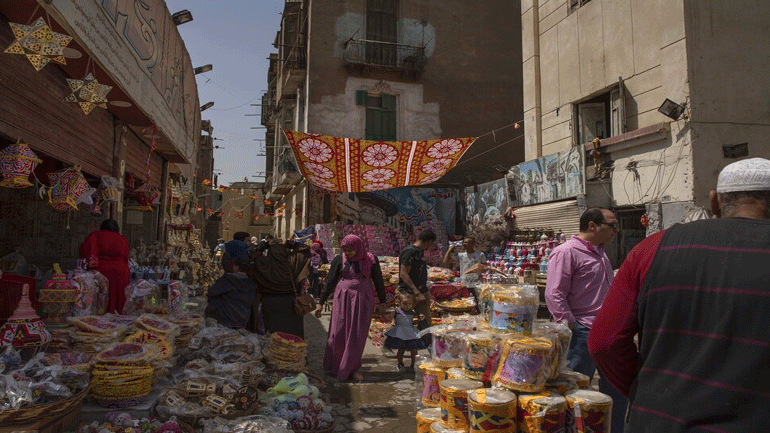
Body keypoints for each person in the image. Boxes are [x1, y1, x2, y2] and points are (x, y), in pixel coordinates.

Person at [588, 158, 770, 432]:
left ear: (714, 202)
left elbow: (604, 342)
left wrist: (645, 390)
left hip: (656, 422)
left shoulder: (652, 248)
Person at [545, 208, 627, 433]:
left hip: (608, 331)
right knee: (575, 391)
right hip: (583, 332)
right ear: (592, 226)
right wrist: (571, 326)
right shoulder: (567, 252)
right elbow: (554, 293)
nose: (616, 230)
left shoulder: (600, 253)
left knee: (617, 389)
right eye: (612, 225)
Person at [315, 235, 387, 382]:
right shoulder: (339, 259)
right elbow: (330, 281)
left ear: (358, 248)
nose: (347, 253)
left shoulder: (371, 260)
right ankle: (337, 366)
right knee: (338, 331)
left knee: (357, 334)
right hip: (342, 299)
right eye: (345, 250)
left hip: (363, 300)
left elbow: (378, 281)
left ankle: (352, 368)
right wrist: (321, 303)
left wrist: (383, 302)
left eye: (350, 250)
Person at [247, 238, 311, 338]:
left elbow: (251, 252)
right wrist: (288, 243)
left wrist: (266, 244)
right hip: (291, 303)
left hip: (270, 302)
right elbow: (305, 249)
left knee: (272, 336)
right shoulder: (293, 262)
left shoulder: (263, 263)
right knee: (292, 335)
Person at [79, 219, 130, 314]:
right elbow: (126, 258)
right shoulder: (122, 239)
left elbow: (85, 253)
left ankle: (100, 315)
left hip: (100, 271)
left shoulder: (94, 235)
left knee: (100, 298)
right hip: (120, 272)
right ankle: (118, 315)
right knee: (118, 297)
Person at [399, 230, 437, 338]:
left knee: (425, 320)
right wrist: (417, 293)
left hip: (421, 291)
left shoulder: (419, 252)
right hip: (409, 293)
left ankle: (426, 343)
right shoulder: (410, 252)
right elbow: (403, 274)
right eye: (433, 243)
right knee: (403, 321)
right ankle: (392, 343)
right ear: (429, 241)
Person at [205, 258, 258, 329]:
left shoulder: (227, 280)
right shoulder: (251, 283)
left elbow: (211, 293)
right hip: (243, 320)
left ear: (237, 267)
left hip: (226, 320)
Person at [383, 292, 427, 372]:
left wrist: (420, 318)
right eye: (405, 304)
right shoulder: (397, 311)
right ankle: (400, 363)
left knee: (414, 350)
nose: (407, 306)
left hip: (411, 332)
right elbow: (389, 318)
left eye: (410, 304)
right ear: (399, 303)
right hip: (400, 333)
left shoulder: (412, 312)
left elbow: (414, 321)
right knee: (401, 350)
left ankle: (413, 364)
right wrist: (387, 313)